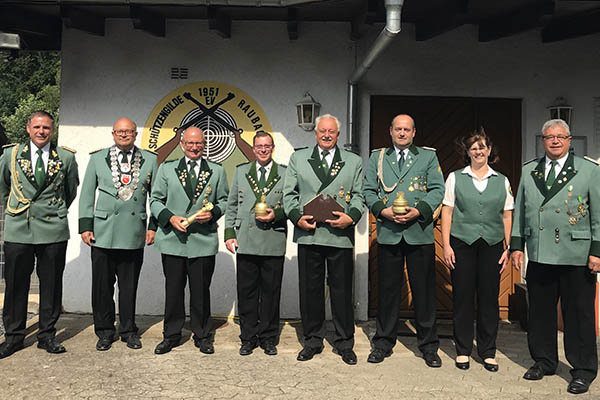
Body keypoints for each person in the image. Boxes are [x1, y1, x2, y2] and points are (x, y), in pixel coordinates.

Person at [510, 119, 599, 395]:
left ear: (570, 140)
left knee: (578, 315)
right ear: (542, 140)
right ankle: (544, 360)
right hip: (540, 251)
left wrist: (597, 250)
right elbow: (521, 208)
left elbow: (598, 212)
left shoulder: (588, 170)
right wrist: (516, 245)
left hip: (576, 253)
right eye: (550, 137)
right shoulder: (530, 170)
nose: (555, 141)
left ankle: (583, 369)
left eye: (561, 136)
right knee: (540, 312)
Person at [363, 114, 445, 367]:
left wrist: (419, 210)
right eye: (397, 129)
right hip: (388, 232)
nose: (401, 133)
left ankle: (429, 346)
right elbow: (367, 189)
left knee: (424, 292)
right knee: (387, 292)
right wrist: (381, 210)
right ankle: (383, 343)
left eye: (406, 129)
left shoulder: (428, 156)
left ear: (414, 132)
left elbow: (437, 189)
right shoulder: (378, 157)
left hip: (419, 232)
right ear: (390, 131)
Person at [282, 114, 364, 365]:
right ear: (315, 133)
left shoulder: (353, 161)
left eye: (332, 132)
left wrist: (350, 218)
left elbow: (360, 196)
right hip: (310, 234)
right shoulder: (299, 157)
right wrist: (297, 218)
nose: (327, 135)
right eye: (322, 131)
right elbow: (289, 194)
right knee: (311, 292)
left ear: (338, 135)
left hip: (340, 236)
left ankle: (344, 342)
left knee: (342, 292)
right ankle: (313, 340)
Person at [0, 111, 79, 359]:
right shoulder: (10, 155)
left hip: (52, 229)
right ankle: (13, 337)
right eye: (37, 127)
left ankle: (47, 335)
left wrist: (52, 211)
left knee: (51, 285)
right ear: (28, 128)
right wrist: (15, 210)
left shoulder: (65, 157)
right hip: (19, 227)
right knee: (15, 285)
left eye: (46, 127)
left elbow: (70, 191)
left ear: (52, 130)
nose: (41, 131)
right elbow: (3, 188)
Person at [78, 117, 158, 351]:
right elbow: (86, 195)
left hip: (133, 233)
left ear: (135, 134)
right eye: (120, 132)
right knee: (102, 287)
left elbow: (157, 196)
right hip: (103, 232)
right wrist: (85, 226)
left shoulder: (150, 159)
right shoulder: (97, 158)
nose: (124, 135)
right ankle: (104, 331)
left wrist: (152, 226)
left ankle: (128, 331)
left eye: (129, 132)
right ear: (113, 134)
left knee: (129, 286)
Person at [150, 126, 228, 355]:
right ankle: (171, 335)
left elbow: (224, 200)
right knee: (173, 290)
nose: (194, 147)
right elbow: (155, 200)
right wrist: (169, 217)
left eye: (199, 143)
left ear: (205, 145)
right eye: (190, 143)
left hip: (203, 241)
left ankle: (203, 335)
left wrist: (212, 214)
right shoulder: (167, 169)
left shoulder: (217, 171)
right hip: (173, 240)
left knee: (201, 291)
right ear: (182, 144)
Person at [440, 129, 513, 372]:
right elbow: (447, 212)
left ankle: (488, 351)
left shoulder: (501, 180)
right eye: (474, 148)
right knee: (462, 298)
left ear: (489, 151)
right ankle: (462, 350)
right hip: (462, 244)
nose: (478, 151)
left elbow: (506, 215)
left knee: (489, 299)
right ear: (467, 152)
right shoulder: (455, 177)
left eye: (482, 147)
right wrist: (447, 245)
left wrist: (508, 247)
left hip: (492, 245)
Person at [224, 132, 287, 356]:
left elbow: (291, 204)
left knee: (271, 292)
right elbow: (232, 205)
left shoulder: (285, 173)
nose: (263, 150)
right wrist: (229, 233)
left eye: (267, 146)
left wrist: (276, 214)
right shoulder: (241, 171)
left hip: (273, 238)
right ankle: (248, 337)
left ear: (273, 148)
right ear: (253, 149)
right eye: (259, 146)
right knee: (247, 291)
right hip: (246, 240)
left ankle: (268, 338)